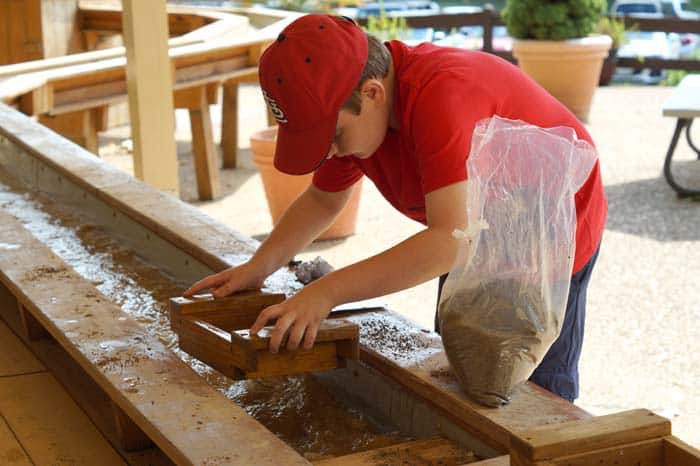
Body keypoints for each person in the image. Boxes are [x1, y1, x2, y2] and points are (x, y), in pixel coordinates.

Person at [184, 14, 607, 402]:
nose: (329, 154)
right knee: (467, 368)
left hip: (547, 223)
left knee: (533, 387)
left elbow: (448, 241)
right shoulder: (356, 108)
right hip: (476, 223)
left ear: (372, 93)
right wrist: (259, 267)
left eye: (331, 138)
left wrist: (326, 292)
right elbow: (323, 198)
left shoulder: (441, 97)